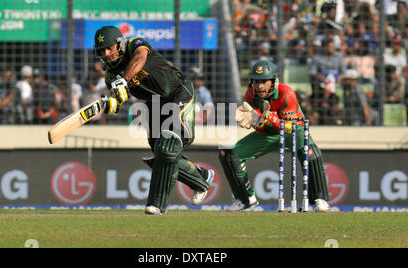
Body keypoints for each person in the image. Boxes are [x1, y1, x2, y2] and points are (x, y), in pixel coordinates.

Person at [93, 25, 214, 215]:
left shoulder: (135, 45)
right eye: (102, 50)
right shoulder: (110, 76)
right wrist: (112, 103)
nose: (106, 54)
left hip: (178, 93)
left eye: (110, 48)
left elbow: (141, 57)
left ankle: (156, 204)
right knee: (162, 154)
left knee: (166, 148)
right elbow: (119, 96)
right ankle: (201, 177)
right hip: (154, 106)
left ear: (119, 44)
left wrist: (124, 80)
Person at [219, 60, 330, 212]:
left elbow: (289, 126)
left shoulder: (286, 94)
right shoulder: (250, 95)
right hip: (269, 133)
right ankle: (246, 200)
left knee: (309, 152)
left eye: (264, 82)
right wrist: (258, 120)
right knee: (230, 154)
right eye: (256, 82)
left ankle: (319, 198)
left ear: (273, 81)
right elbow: (260, 129)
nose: (259, 86)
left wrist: (269, 118)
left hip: (294, 130)